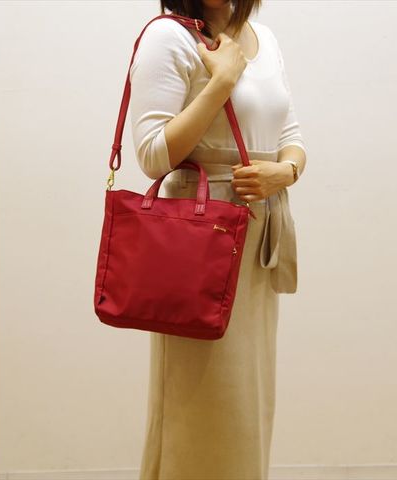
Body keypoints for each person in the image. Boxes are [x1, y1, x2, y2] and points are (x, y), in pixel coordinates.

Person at [129, 0, 307, 478]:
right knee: (201, 394)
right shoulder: (169, 36)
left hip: (259, 230)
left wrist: (285, 171)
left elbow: (290, 133)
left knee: (248, 395)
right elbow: (152, 155)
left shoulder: (263, 37)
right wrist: (222, 81)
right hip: (202, 234)